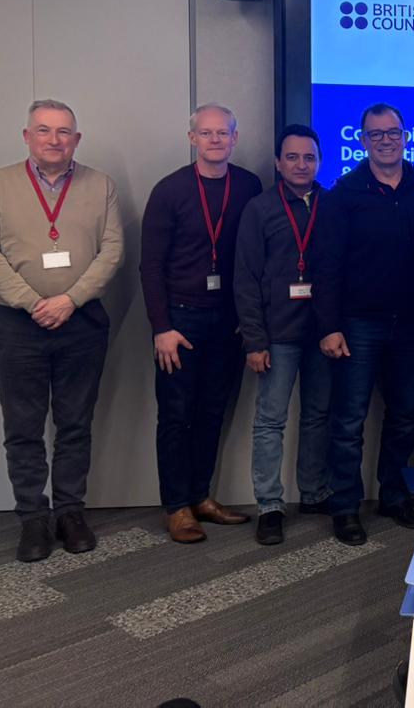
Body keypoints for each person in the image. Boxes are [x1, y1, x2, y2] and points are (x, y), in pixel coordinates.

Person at [0, 100, 123, 562]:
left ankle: (69, 512)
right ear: (27, 137)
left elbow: (112, 251)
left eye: (64, 132)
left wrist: (70, 300)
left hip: (81, 322)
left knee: (75, 423)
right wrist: (33, 302)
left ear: (76, 140)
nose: (54, 140)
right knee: (23, 427)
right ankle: (33, 518)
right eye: (43, 130)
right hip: (17, 325)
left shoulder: (100, 185)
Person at [313, 102, 414, 546]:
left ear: (405, 136)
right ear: (363, 140)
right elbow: (326, 265)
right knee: (349, 421)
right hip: (357, 324)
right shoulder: (344, 194)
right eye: (376, 134)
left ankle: (394, 496)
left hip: (413, 324)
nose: (386, 140)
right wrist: (329, 326)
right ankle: (345, 506)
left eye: (393, 132)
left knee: (404, 417)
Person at [141, 104, 262, 543]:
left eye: (222, 133)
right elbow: (150, 266)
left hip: (228, 321)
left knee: (213, 411)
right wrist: (161, 327)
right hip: (180, 322)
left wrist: (248, 318)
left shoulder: (248, 185)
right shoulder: (169, 190)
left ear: (234, 138)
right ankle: (176, 507)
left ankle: (200, 496)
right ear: (192, 138)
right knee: (176, 415)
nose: (215, 140)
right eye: (206, 133)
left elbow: (256, 256)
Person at [233, 124, 331, 546]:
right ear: (278, 162)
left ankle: (313, 492)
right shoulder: (260, 209)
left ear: (319, 162)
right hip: (277, 334)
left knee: (318, 416)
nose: (301, 165)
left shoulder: (332, 204)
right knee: (270, 421)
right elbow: (245, 278)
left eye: (309, 157)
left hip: (323, 333)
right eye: (292, 157)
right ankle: (270, 505)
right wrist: (254, 341)